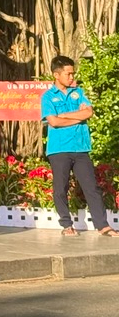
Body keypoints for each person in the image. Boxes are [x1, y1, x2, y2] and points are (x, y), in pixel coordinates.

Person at [42, 55, 117, 237]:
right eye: (68, 74)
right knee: (61, 188)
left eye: (72, 73)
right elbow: (53, 121)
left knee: (91, 187)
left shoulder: (78, 92)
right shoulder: (48, 97)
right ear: (56, 75)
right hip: (59, 149)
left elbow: (88, 112)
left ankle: (103, 226)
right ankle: (67, 225)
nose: (71, 77)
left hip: (81, 148)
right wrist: (77, 115)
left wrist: (65, 115)